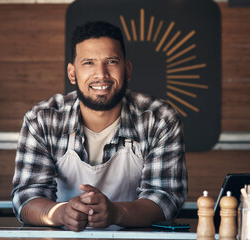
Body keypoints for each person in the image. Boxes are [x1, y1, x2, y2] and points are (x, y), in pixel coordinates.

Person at [12, 21, 187, 232]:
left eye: (111, 61)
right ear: (72, 73)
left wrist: (116, 213)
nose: (101, 74)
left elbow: (165, 198)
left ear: (127, 70)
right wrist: (61, 213)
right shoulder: (42, 120)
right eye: (88, 63)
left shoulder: (159, 119)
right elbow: (27, 197)